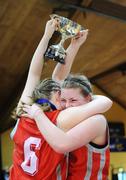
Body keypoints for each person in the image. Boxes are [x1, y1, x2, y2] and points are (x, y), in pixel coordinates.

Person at [10, 18, 112, 180]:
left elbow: (35, 73)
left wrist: (47, 36)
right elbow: (105, 102)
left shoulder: (24, 113)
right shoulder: (61, 119)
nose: (66, 104)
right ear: (54, 100)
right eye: (62, 99)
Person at [22, 74, 112, 180]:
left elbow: (62, 145)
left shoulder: (97, 120)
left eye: (73, 100)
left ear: (88, 98)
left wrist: (38, 114)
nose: (67, 105)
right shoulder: (68, 118)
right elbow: (56, 77)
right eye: (63, 100)